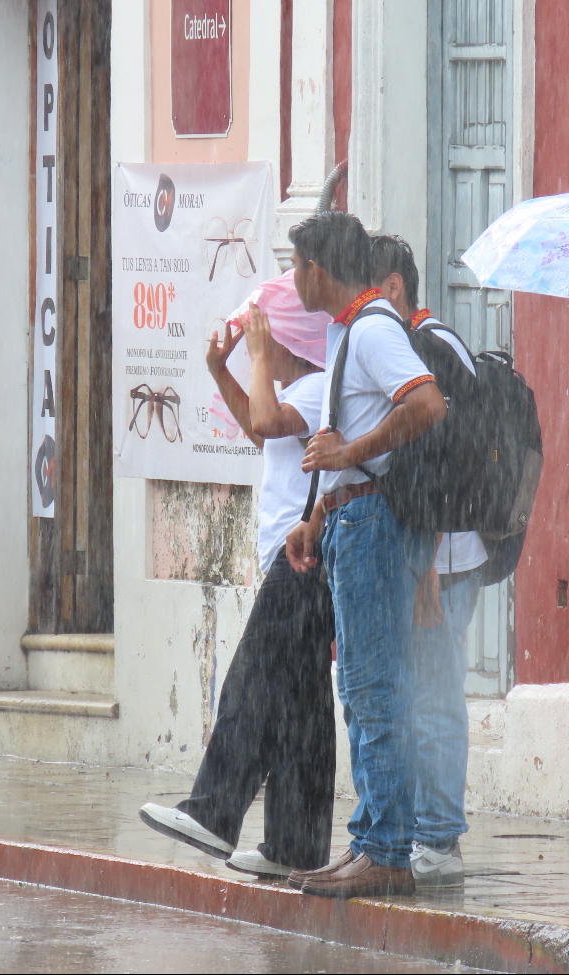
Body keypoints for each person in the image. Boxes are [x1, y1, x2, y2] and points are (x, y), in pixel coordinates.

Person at [139, 303, 336, 878]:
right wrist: (222, 372)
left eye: (263, 335)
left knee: (252, 680)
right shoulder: (300, 392)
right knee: (301, 709)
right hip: (297, 555)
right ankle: (294, 847)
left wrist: (250, 357)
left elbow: (265, 424)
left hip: (300, 559)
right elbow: (263, 432)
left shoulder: (321, 384)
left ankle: (215, 810)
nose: (258, 345)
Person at [283, 211, 446, 898]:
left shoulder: (375, 329)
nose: (292, 279)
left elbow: (428, 404)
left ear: (317, 269)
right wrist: (318, 515)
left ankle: (386, 849)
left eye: (296, 265)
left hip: (376, 527)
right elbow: (345, 441)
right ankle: (371, 836)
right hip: (352, 522)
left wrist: (349, 454)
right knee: (361, 687)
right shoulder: (349, 329)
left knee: (376, 688)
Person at [369, 234, 484, 888]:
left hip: (444, 551)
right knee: (427, 691)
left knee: (435, 694)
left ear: (390, 289)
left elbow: (446, 459)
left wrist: (429, 564)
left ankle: (438, 837)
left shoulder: (424, 349)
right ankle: (426, 830)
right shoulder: (435, 340)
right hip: (446, 546)